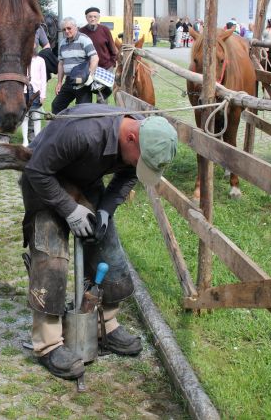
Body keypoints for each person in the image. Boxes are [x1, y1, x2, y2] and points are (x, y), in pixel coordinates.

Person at [20, 105, 178, 379]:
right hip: (44, 178)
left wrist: (105, 209)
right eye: (139, 160)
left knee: (107, 250)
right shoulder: (84, 134)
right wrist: (68, 210)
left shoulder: (145, 135)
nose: (136, 165)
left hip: (85, 176)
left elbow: (129, 174)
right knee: (51, 255)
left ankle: (107, 325)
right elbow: (35, 171)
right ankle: (48, 345)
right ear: (130, 138)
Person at [51, 17, 99, 114]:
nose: (67, 31)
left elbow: (95, 58)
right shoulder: (62, 43)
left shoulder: (84, 39)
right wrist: (59, 82)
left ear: (75, 27)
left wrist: (89, 75)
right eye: (64, 29)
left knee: (82, 111)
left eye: (69, 28)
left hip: (83, 81)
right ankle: (61, 128)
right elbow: (61, 63)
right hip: (69, 81)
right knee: (56, 105)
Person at [79, 7, 118, 103]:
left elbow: (113, 49)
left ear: (98, 18)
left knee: (102, 97)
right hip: (88, 68)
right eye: (90, 17)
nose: (93, 19)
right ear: (86, 18)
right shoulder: (81, 32)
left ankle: (102, 116)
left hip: (105, 67)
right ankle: (88, 115)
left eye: (95, 17)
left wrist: (112, 63)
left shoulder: (105, 30)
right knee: (86, 94)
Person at [21, 46, 47, 147]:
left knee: (36, 116)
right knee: (24, 117)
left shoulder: (40, 60)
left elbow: (43, 78)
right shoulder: (22, 59)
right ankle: (25, 141)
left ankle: (37, 139)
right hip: (24, 91)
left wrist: (43, 95)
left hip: (36, 91)